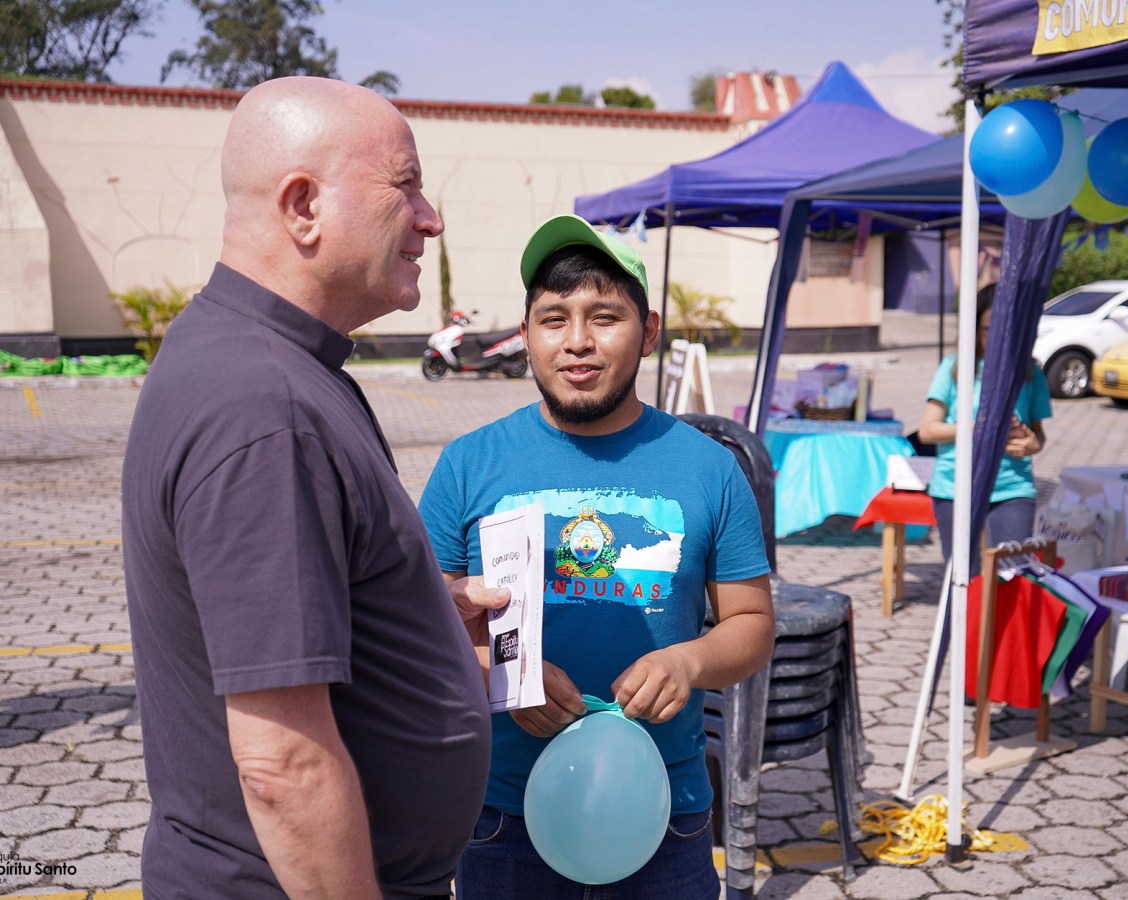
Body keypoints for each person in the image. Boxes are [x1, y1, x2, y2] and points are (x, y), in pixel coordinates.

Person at [121, 76, 491, 899]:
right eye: (405, 186)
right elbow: (282, 766)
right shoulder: (265, 406)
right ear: (303, 206)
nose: (430, 218)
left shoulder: (266, 363)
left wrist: (417, 613)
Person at [418, 214, 776, 900]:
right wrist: (499, 667)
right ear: (526, 334)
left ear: (650, 331)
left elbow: (753, 624)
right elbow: (417, 625)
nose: (577, 341)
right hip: (504, 820)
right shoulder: (468, 464)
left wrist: (689, 661)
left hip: (663, 816)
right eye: (553, 319)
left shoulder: (709, 468)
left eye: (604, 317)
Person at [917, 283, 1052, 574]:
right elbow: (927, 431)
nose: (997, 339)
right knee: (962, 575)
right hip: (956, 486)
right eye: (989, 330)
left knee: (1013, 573)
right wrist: (980, 428)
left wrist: (1031, 443)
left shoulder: (1030, 373)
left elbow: (1038, 435)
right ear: (974, 330)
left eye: (1006, 330)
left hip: (1012, 487)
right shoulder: (954, 368)